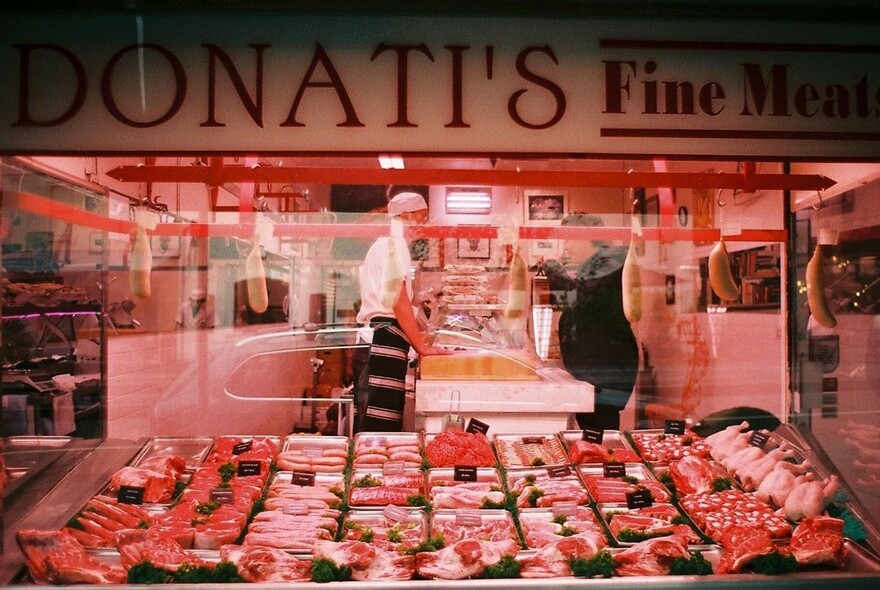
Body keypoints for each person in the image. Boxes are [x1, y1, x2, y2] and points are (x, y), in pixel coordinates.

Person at [356, 191, 451, 432]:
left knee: (381, 419)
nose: (425, 223)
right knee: (380, 426)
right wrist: (421, 346)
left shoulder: (391, 244)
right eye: (422, 217)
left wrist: (421, 299)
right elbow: (397, 301)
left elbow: (399, 297)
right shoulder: (393, 243)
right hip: (384, 339)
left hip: (386, 338)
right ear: (406, 217)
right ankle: (373, 468)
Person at [542, 213, 639, 431]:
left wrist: (552, 268)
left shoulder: (612, 259)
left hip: (606, 372)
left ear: (586, 237)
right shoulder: (593, 264)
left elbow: (582, 297)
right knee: (591, 434)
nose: (566, 246)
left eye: (569, 238)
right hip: (592, 370)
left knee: (600, 435)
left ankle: (605, 463)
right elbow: (568, 302)